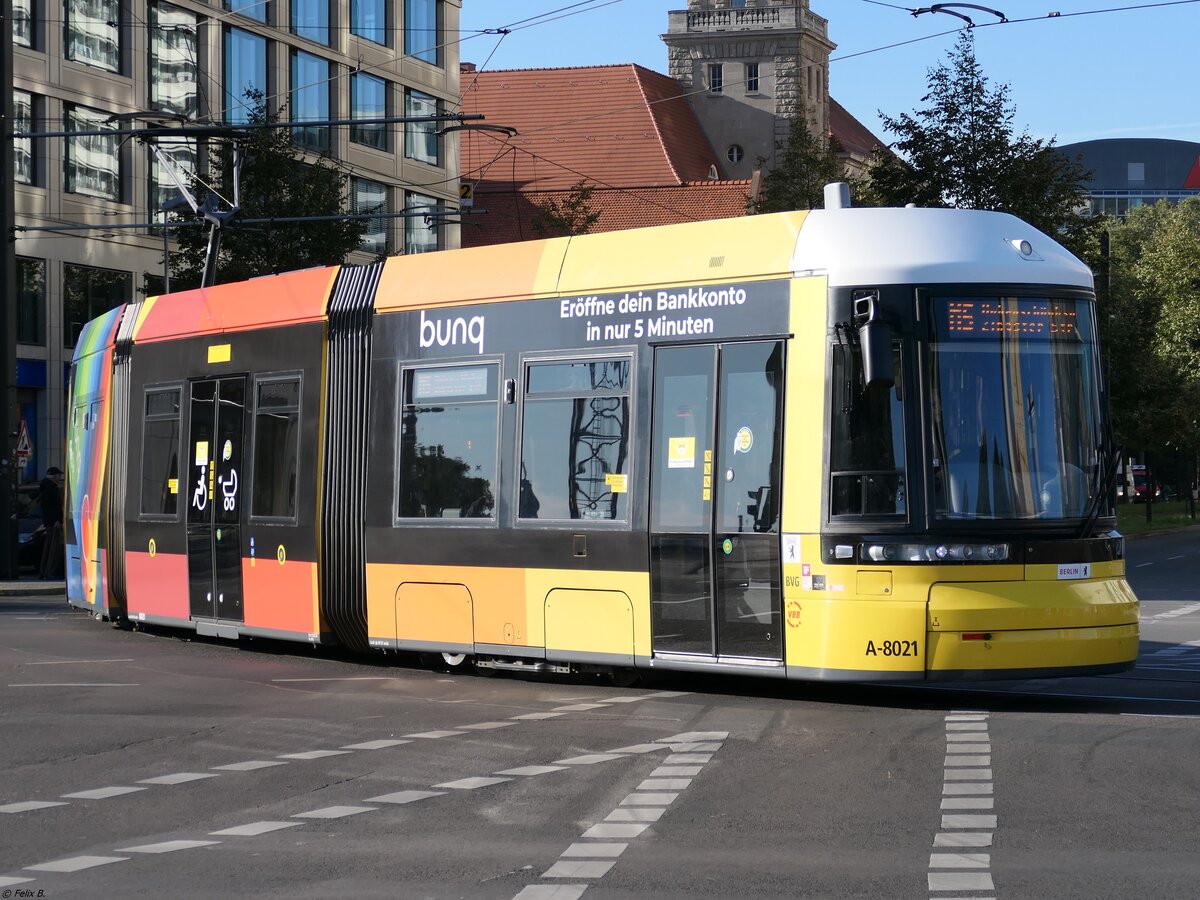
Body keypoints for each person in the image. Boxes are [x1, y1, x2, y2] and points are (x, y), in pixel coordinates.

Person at [38, 466, 64, 579]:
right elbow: (52, 506)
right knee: (53, 549)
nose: (60, 477)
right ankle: (49, 573)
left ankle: (44, 572)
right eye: (59, 475)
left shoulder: (47, 486)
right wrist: (56, 520)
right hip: (53, 523)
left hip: (50, 522)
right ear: (54, 476)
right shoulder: (51, 488)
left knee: (48, 548)